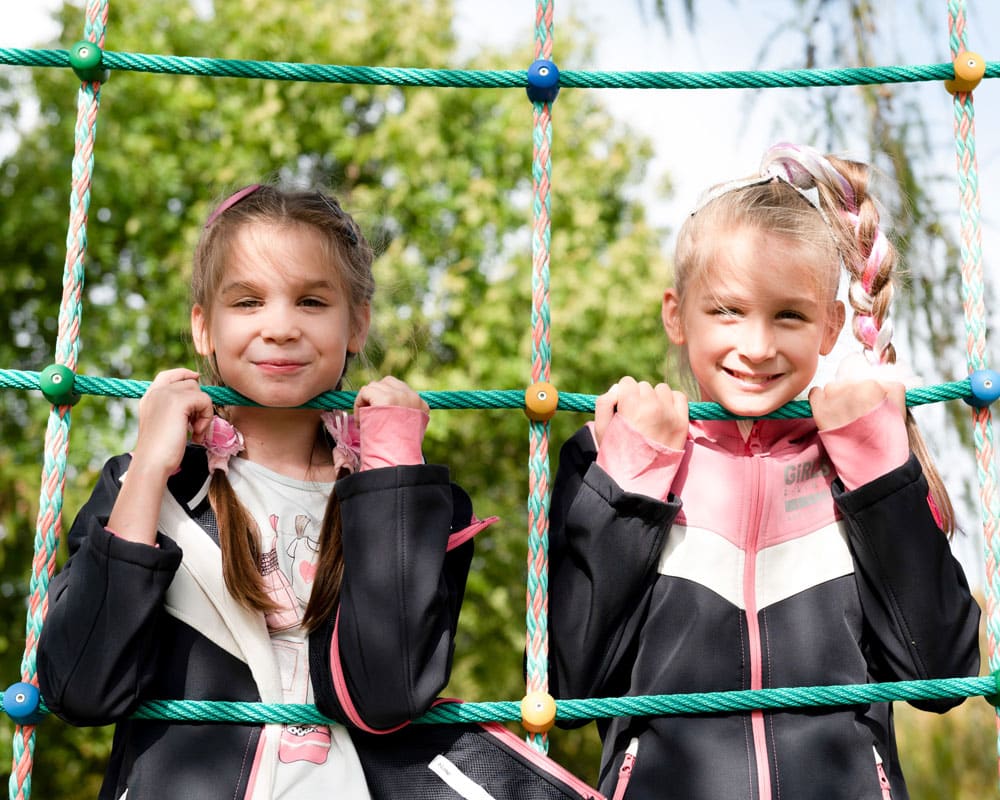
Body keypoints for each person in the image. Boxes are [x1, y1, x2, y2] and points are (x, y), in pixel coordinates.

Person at [548, 143, 981, 800]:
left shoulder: (857, 455)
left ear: (830, 325)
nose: (756, 345)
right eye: (726, 310)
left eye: (789, 315)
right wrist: (632, 477)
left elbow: (942, 670)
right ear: (676, 313)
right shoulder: (610, 449)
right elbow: (574, 678)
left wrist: (875, 463)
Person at [38, 184, 494, 800]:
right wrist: (149, 468)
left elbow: (389, 695)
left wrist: (393, 473)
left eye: (310, 301)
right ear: (204, 326)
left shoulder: (402, 495)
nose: (279, 328)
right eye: (248, 302)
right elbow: (80, 687)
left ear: (356, 323)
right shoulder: (152, 489)